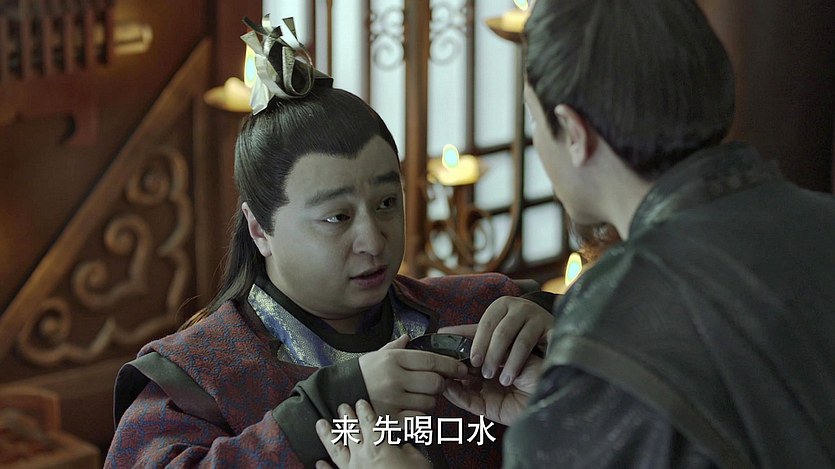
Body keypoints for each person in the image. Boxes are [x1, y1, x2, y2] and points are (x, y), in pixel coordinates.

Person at [314, 0, 835, 468]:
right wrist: (566, 406)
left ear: (574, 132)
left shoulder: (615, 317)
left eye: (535, 121)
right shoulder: (819, 218)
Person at [104, 15, 554, 469]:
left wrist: (563, 337)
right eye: (337, 217)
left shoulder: (480, 319)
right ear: (259, 229)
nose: (373, 241)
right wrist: (324, 407)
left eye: (386, 203)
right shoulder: (199, 376)